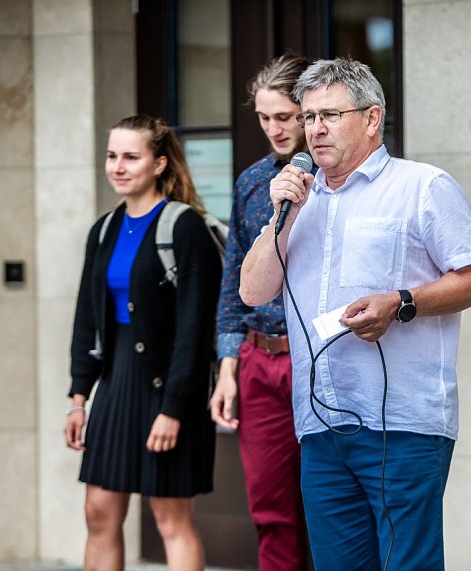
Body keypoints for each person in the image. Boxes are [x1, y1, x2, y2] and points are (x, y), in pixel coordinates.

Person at [239, 57, 471, 570]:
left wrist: (401, 303)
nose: (315, 129)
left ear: (372, 118)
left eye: (330, 115)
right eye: (308, 116)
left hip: (402, 423)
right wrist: (280, 217)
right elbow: (252, 290)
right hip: (320, 426)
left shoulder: (422, 186)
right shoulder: (298, 199)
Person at [65, 114, 221, 570]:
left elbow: (195, 329)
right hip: (115, 383)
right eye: (112, 156)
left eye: (131, 157)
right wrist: (79, 398)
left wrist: (173, 408)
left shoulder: (185, 227)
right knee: (98, 511)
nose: (118, 166)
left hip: (171, 387)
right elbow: (85, 319)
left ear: (158, 163)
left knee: (170, 516)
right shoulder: (104, 229)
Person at [208, 52, 312, 571]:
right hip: (258, 362)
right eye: (264, 118)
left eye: (285, 116)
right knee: (271, 512)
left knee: (331, 508)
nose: (274, 128)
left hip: (319, 360)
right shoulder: (251, 182)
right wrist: (228, 369)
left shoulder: (340, 185)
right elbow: (232, 281)